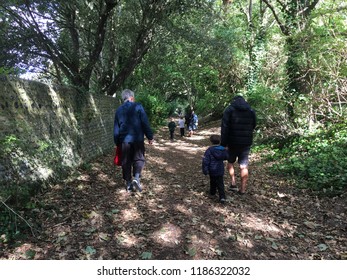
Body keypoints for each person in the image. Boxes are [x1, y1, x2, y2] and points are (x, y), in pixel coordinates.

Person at [114, 89, 154, 192]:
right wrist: (150, 136)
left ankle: (128, 183)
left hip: (124, 140)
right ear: (132, 98)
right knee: (139, 158)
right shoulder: (138, 106)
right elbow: (145, 122)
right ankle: (136, 178)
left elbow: (116, 128)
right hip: (138, 138)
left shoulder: (118, 110)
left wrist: (117, 142)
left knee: (126, 161)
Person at [221, 95, 256, 195]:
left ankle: (233, 183)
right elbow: (254, 124)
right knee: (243, 165)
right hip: (246, 142)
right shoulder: (251, 110)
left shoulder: (229, 109)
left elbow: (224, 127)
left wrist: (223, 143)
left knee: (230, 162)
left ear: (234, 100)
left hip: (232, 142)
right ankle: (243, 189)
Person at [202, 134, 229, 204]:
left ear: (211, 141)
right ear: (219, 141)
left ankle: (212, 192)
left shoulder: (209, 150)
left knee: (212, 181)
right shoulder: (223, 150)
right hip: (220, 169)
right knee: (220, 183)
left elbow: (205, 161)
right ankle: (222, 197)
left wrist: (205, 170)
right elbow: (226, 157)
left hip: (212, 169)